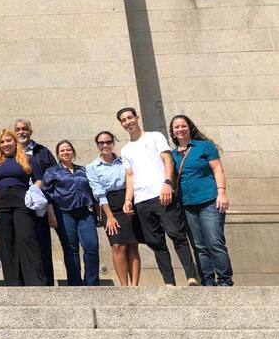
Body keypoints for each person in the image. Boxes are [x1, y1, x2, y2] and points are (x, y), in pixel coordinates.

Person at [118, 107, 198, 286]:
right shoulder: (125, 150)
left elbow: (168, 160)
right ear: (121, 124)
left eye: (130, 117)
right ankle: (169, 281)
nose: (128, 122)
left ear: (137, 118)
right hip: (141, 201)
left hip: (162, 194)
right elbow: (130, 176)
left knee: (177, 235)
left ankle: (191, 277)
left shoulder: (155, 136)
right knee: (156, 242)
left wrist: (167, 184)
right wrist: (128, 200)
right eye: (123, 120)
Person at [170, 115, 233, 286]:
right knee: (198, 246)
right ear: (173, 132)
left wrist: (222, 193)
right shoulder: (173, 154)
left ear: (189, 127)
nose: (180, 129)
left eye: (183, 126)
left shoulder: (204, 146)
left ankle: (225, 281)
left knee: (215, 242)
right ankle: (208, 282)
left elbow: (218, 170)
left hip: (209, 201)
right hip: (187, 205)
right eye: (176, 127)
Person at [0, 129, 44, 286]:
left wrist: (33, 191)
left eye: (8, 141)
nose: (5, 144)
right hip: (1, 203)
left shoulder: (28, 159)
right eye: (2, 142)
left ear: (15, 141)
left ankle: (34, 281)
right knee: (6, 243)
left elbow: (39, 180)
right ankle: (13, 282)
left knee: (27, 238)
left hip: (22, 202)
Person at [86, 131, 143, 286]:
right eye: (101, 143)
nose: (105, 145)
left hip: (127, 200)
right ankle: (124, 286)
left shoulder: (123, 161)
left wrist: (129, 200)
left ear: (113, 143)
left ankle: (135, 286)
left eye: (108, 142)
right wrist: (109, 216)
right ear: (97, 145)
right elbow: (98, 192)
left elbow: (132, 179)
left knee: (132, 244)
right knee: (117, 245)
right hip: (108, 205)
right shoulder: (92, 167)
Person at [42, 140, 100, 286]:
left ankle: (92, 284)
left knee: (91, 246)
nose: (65, 152)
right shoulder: (52, 172)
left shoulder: (83, 170)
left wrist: (98, 213)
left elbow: (93, 192)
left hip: (86, 213)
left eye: (68, 150)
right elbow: (47, 195)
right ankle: (75, 285)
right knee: (71, 249)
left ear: (73, 152)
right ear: (58, 154)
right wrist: (51, 215)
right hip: (63, 213)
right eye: (62, 151)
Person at [15, 118, 56, 285]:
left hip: (40, 205)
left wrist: (50, 207)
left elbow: (54, 177)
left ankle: (46, 283)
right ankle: (26, 283)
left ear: (30, 131)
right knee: (22, 245)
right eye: (17, 129)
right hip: (18, 205)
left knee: (42, 245)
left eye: (24, 129)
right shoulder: (8, 153)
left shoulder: (43, 152)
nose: (21, 132)